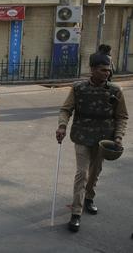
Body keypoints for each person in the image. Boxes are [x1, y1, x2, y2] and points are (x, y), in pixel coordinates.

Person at [56, 52, 127, 232]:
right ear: (93, 69)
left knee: (95, 172)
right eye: (103, 69)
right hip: (81, 136)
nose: (107, 73)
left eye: (109, 69)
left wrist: (118, 137)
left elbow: (121, 117)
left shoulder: (115, 91)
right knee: (82, 173)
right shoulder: (78, 88)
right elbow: (66, 109)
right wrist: (62, 126)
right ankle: (76, 212)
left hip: (104, 140)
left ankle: (89, 198)